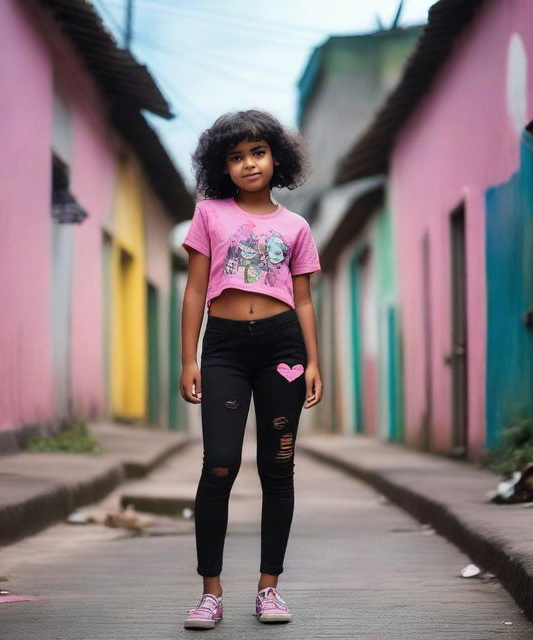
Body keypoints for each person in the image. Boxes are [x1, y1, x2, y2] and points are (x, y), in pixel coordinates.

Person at [179, 109, 323, 630]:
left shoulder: (296, 226)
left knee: (276, 468)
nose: (248, 163)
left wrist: (314, 362)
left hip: (283, 349)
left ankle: (269, 589)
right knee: (219, 461)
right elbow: (195, 289)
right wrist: (187, 358)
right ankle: (210, 592)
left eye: (257, 152)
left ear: (276, 158)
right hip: (224, 349)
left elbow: (303, 300)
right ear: (223, 168)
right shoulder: (209, 215)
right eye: (236, 157)